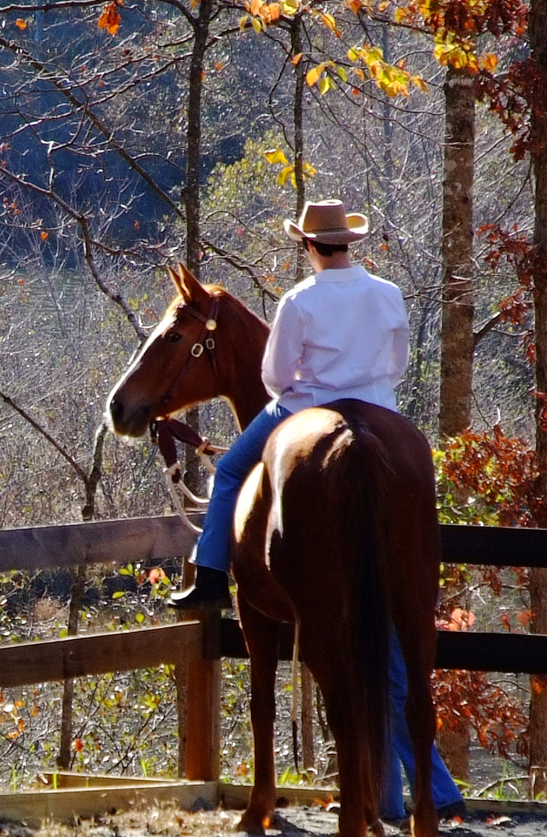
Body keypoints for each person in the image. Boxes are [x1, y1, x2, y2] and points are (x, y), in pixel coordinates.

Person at [167, 197, 408, 612]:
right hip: (378, 408)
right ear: (347, 244)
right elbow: (397, 365)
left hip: (306, 407)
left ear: (309, 246)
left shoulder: (299, 301)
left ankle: (210, 575)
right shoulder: (388, 294)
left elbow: (275, 378)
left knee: (226, 473)